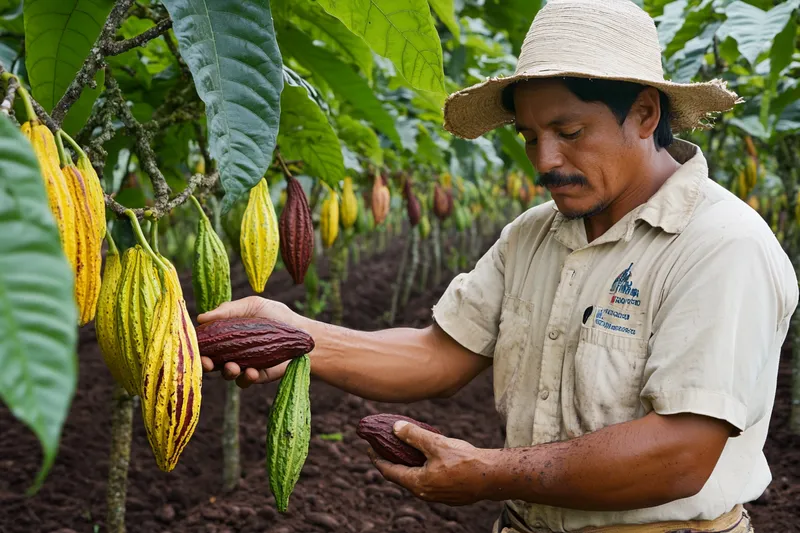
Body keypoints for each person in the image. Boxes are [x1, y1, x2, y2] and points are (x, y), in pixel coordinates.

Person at [199, 0, 799, 531]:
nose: (545, 160)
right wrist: (292, 336)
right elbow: (439, 355)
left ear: (644, 114)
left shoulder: (721, 245)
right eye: (528, 136)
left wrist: (490, 473)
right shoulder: (533, 235)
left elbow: (680, 454)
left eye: (568, 131)